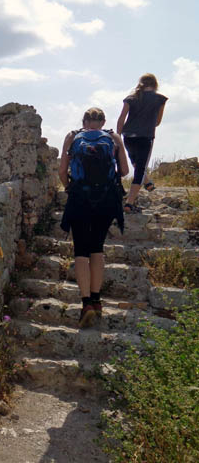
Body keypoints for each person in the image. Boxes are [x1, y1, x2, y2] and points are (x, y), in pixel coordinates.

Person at [59, 108, 130, 327]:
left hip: (80, 198)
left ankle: (86, 303)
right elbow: (125, 171)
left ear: (84, 121)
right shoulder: (113, 138)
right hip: (107, 199)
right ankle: (97, 300)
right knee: (97, 248)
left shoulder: (72, 137)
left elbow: (62, 170)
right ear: (103, 121)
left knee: (81, 250)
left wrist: (69, 187)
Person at [116, 73, 168, 212]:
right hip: (145, 136)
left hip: (128, 136)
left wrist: (117, 136)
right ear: (155, 84)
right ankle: (129, 203)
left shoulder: (131, 98)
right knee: (140, 168)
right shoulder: (160, 99)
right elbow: (157, 122)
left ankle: (148, 183)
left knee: (135, 162)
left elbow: (121, 118)